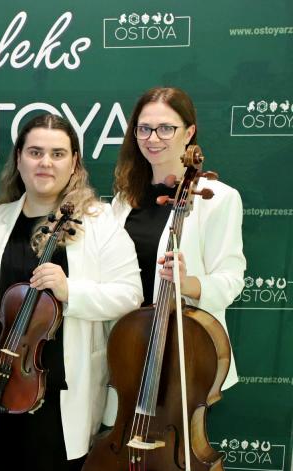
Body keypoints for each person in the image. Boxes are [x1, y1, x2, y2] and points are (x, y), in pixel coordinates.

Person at [0, 114, 142, 471]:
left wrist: (70, 290)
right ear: (18, 159)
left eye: (58, 154)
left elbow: (130, 295)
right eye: (35, 152)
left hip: (60, 395)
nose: (45, 162)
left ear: (74, 162)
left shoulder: (99, 224)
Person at [112, 87, 245, 389]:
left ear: (189, 133)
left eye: (166, 128)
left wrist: (188, 284)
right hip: (127, 345)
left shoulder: (219, 198)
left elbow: (231, 280)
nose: (152, 138)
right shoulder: (124, 199)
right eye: (144, 129)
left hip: (185, 353)